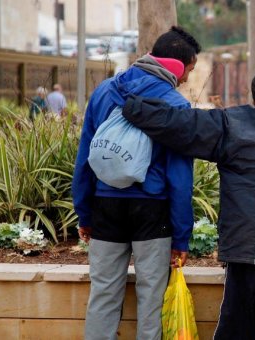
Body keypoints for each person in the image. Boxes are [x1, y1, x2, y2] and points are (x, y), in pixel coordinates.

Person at [121, 68, 255, 340]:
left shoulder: (235, 122)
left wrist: (132, 107)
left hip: (246, 249)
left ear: (254, 100)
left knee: (237, 326)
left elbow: (180, 124)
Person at [72, 26, 201, 340]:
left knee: (102, 295)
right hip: (151, 210)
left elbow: (85, 156)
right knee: (151, 299)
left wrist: (85, 213)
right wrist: (182, 237)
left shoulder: (104, 91)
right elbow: (180, 180)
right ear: (178, 66)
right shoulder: (176, 105)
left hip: (105, 203)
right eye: (189, 71)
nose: (186, 79)